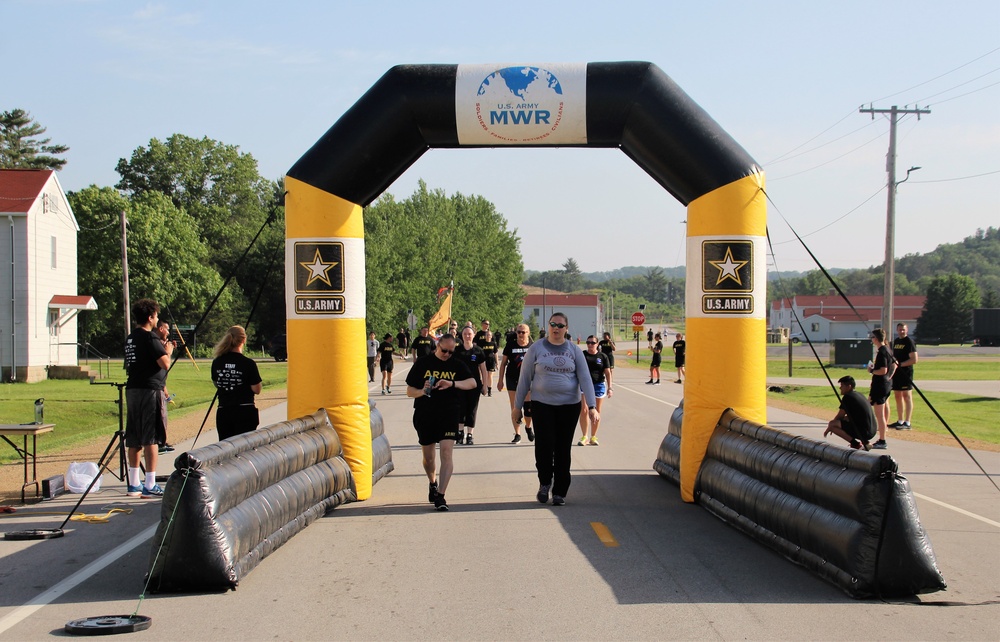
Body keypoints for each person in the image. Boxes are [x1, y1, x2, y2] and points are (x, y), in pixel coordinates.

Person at [514, 312, 598, 506]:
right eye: (553, 324)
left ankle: (560, 491)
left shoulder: (574, 351)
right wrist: (517, 407)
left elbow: (585, 378)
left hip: (569, 406)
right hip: (542, 405)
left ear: (566, 328)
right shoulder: (536, 348)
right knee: (544, 445)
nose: (556, 328)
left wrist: (592, 406)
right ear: (548, 326)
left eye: (560, 325)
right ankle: (545, 483)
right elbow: (524, 379)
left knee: (562, 447)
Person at [405, 333, 477, 511]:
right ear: (437, 346)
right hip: (425, 413)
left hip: (449, 413)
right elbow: (409, 391)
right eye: (444, 350)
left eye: (451, 352)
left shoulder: (456, 364)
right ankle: (432, 482)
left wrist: (452, 383)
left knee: (446, 453)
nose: (447, 354)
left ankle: (441, 496)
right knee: (429, 458)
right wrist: (422, 391)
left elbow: (472, 383)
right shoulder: (423, 363)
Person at [123, 298, 174, 498]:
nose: (157, 319)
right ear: (151, 317)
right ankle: (150, 484)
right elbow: (164, 363)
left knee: (134, 436)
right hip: (150, 390)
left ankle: (134, 483)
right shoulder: (150, 338)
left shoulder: (130, 338)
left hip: (133, 389)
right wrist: (168, 350)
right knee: (151, 437)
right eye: (156, 316)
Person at [211, 325, 263, 441]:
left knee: (226, 447)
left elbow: (216, 383)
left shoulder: (217, 361)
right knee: (244, 448)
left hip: (224, 411)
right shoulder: (248, 363)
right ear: (244, 340)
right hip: (244, 410)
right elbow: (257, 389)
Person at [498, 323, 534, 444]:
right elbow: (503, 363)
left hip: (528, 380)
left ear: (528, 333)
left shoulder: (533, 346)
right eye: (519, 332)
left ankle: (528, 427)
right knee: (515, 408)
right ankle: (517, 433)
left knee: (528, 409)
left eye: (523, 332)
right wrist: (500, 381)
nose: (521, 334)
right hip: (512, 378)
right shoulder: (510, 345)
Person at [453, 326, 487, 444]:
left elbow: (483, 369)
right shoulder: (457, 351)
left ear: (473, 335)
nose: (467, 336)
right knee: (460, 408)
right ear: (461, 336)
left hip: (474, 385)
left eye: (469, 334)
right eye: (465, 334)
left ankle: (470, 434)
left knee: (472, 409)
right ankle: (460, 433)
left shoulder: (478, 351)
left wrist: (485, 385)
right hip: (460, 384)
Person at [824, 376, 876, 450]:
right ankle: (866, 442)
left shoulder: (847, 397)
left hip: (865, 431)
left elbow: (840, 416)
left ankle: (856, 444)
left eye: (842, 386)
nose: (840, 388)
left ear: (849, 386)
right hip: (872, 430)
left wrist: (829, 428)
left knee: (832, 424)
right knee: (846, 419)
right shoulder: (859, 394)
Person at [579, 336, 613, 446]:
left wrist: (610, 387)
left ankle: (593, 436)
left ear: (597, 344)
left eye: (592, 343)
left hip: (598, 385)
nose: (590, 345)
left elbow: (608, 373)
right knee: (584, 410)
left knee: (596, 411)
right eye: (588, 342)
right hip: (584, 385)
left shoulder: (602, 356)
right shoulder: (583, 355)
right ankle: (585, 436)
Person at [889, 323, 918, 430]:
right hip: (896, 374)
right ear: (897, 330)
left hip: (906, 373)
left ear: (907, 330)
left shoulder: (909, 342)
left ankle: (907, 422)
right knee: (897, 396)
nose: (902, 331)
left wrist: (900, 365)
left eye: (903, 330)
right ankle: (900, 421)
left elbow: (914, 359)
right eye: (900, 329)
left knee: (907, 396)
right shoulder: (896, 342)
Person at [868, 328, 892, 450]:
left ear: (876, 339)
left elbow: (883, 370)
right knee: (878, 411)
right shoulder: (887, 349)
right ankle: (880, 435)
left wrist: (871, 370)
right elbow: (893, 364)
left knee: (879, 415)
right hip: (885, 384)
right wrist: (889, 378)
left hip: (880, 385)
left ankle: (882, 440)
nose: (871, 339)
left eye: (872, 337)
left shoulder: (882, 351)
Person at [154, 319, 176, 454]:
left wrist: (166, 391)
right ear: (161, 329)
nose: (168, 333)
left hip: (161, 384)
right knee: (160, 415)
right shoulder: (155, 343)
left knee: (163, 415)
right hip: (154, 386)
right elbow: (164, 364)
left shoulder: (160, 343)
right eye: (167, 329)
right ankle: (159, 443)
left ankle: (161, 440)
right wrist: (168, 352)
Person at [480, 330, 498, 397]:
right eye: (487, 335)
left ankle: (489, 390)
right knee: (484, 375)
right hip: (484, 361)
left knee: (490, 375)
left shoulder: (493, 343)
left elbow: (495, 353)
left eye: (489, 335)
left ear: (491, 336)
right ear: (485, 336)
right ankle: (483, 388)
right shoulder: (482, 343)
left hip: (491, 361)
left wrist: (497, 363)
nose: (488, 336)